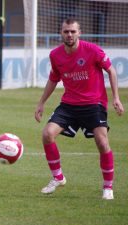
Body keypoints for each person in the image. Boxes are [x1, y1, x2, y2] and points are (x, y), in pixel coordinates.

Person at [34, 18, 124, 200]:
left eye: (73, 31)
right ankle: (58, 178)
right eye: (66, 31)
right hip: (69, 105)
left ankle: (108, 188)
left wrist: (116, 97)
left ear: (79, 33)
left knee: (102, 142)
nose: (69, 35)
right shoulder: (55, 55)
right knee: (47, 134)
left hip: (94, 103)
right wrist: (41, 102)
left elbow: (111, 71)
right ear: (61, 33)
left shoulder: (92, 50)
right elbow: (53, 79)